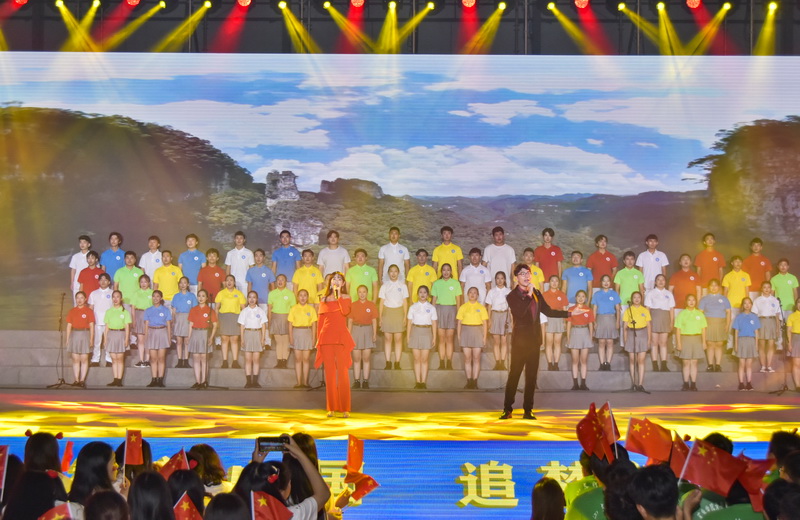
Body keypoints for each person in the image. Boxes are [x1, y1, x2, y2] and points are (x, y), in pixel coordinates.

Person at [500, 264, 570, 420]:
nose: (526, 276)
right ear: (516, 278)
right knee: (514, 375)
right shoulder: (512, 296)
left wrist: (570, 313)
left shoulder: (537, 293)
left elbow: (549, 311)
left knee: (531, 377)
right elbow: (520, 312)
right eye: (522, 273)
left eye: (528, 273)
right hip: (520, 342)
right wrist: (529, 294)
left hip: (534, 340)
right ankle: (507, 409)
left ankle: (528, 410)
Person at [315, 272, 355, 417]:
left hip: (341, 339)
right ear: (330, 283)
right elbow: (320, 322)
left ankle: (345, 408)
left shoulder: (346, 298)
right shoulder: (324, 299)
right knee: (330, 374)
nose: (336, 281)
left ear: (343, 283)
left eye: (339, 279)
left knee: (343, 373)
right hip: (326, 338)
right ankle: (331, 407)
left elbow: (345, 312)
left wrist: (339, 297)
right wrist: (318, 340)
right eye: (334, 279)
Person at [69, 441, 127, 506]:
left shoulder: (74, 500)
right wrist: (124, 498)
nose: (116, 466)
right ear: (100, 467)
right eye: (113, 462)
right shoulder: (104, 501)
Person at [431, 263, 463, 370]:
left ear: (451, 271)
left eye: (448, 270)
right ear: (441, 272)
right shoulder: (436, 283)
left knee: (449, 338)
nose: (446, 272)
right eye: (444, 270)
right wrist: (432, 314)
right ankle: (441, 362)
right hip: (439, 310)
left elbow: (458, 300)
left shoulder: (455, 283)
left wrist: (458, 314)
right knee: (441, 338)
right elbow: (434, 300)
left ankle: (449, 362)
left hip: (452, 310)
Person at [457, 286, 489, 389]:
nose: (472, 294)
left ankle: (475, 381)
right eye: (470, 292)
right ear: (467, 294)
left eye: (474, 293)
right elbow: (459, 323)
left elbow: (485, 323)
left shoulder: (481, 308)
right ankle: (469, 381)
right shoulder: (463, 307)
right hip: (466, 332)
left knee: (476, 358)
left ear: (477, 295)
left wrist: (484, 337)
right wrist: (459, 336)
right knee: (467, 358)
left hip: (477, 332)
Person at [378, 264, 409, 370]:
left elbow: (405, 302)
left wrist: (405, 317)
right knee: (387, 338)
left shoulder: (403, 286)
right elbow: (381, 302)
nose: (393, 273)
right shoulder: (384, 286)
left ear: (398, 273)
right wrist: (380, 317)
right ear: (388, 273)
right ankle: (388, 362)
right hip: (387, 312)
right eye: (391, 271)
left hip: (399, 312)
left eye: (395, 271)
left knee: (398, 339)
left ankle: (397, 362)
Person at [407, 285, 438, 389]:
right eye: (420, 292)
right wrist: (408, 337)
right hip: (415, 332)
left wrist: (434, 337)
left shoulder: (432, 308)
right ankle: (418, 381)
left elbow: (434, 323)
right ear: (417, 294)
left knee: (424, 359)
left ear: (428, 295)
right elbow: (409, 323)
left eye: (425, 292)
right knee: (416, 359)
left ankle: (423, 382)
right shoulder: (413, 307)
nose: (422, 294)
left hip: (427, 332)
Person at [675, 294, 708, 391]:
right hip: (685, 338)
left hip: (696, 339)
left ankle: (693, 384)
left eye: (693, 300)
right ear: (686, 302)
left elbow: (703, 329)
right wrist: (679, 343)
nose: (691, 302)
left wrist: (704, 342)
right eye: (689, 300)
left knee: (694, 362)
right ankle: (686, 383)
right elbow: (678, 329)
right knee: (686, 362)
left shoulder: (699, 314)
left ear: (696, 302)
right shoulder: (682, 314)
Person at [348, 285, 378, 389]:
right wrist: (349, 335)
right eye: (360, 292)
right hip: (356, 331)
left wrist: (374, 333)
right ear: (357, 293)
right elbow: (350, 321)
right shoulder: (353, 305)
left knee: (366, 358)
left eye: (364, 292)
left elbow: (374, 320)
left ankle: (365, 381)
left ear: (367, 293)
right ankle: (356, 381)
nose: (362, 294)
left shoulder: (371, 305)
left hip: (367, 330)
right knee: (356, 358)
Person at [698, 279, 731, 373]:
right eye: (711, 285)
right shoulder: (704, 299)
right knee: (710, 344)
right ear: (708, 287)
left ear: (719, 287)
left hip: (721, 323)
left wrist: (727, 324)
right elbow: (700, 314)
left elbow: (728, 312)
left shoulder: (724, 299)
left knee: (719, 344)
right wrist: (702, 326)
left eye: (715, 285)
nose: (713, 287)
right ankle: (710, 365)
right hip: (708, 324)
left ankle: (718, 365)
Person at [187, 289, 217, 389]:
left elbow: (215, 325)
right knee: (196, 358)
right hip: (195, 333)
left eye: (203, 296)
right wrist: (189, 337)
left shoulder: (210, 310)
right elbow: (191, 324)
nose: (201, 298)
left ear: (207, 298)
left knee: (204, 358)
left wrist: (211, 337)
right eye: (199, 296)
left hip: (205, 334)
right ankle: (198, 381)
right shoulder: (193, 309)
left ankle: (204, 381)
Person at [645, 274, 675, 372]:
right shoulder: (651, 293)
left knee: (663, 342)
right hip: (654, 318)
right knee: (654, 342)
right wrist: (648, 322)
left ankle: (664, 364)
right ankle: (655, 364)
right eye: (658, 280)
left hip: (665, 318)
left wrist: (671, 322)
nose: (661, 281)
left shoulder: (669, 294)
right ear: (655, 282)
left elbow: (671, 309)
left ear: (665, 282)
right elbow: (647, 309)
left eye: (663, 280)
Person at [614, 251, 645, 348]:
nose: (630, 261)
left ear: (634, 261)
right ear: (624, 261)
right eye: (627, 259)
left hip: (636, 303)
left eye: (632, 259)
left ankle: (634, 345)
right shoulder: (620, 273)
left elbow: (641, 289)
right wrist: (618, 302)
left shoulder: (638, 273)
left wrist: (641, 303)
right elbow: (617, 290)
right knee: (624, 325)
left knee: (635, 324)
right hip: (623, 303)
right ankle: (624, 345)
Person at [288, 289, 318, 389]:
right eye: (300, 295)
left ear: (307, 297)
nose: (303, 297)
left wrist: (313, 338)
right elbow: (290, 324)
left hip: (307, 333)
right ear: (297, 297)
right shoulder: (293, 308)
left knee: (306, 359)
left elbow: (314, 325)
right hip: (296, 333)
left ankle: (305, 382)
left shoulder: (311, 309)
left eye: (305, 295)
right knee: (298, 359)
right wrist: (291, 337)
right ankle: (298, 382)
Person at [623, 291, 651, 392]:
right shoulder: (628, 310)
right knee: (632, 360)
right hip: (631, 334)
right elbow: (625, 327)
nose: (636, 299)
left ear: (641, 299)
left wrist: (649, 339)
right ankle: (634, 383)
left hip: (642, 334)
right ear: (632, 299)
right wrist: (625, 340)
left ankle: (640, 384)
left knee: (641, 360)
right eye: (634, 297)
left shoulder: (645, 310)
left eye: (638, 297)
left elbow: (649, 326)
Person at [239, 290, 268, 389]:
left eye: (254, 297)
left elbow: (263, 326)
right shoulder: (244, 311)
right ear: (247, 299)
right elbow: (242, 326)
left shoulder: (260, 311)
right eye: (250, 297)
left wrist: (263, 339)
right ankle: (248, 382)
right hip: (247, 334)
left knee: (256, 359)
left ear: (257, 299)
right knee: (248, 359)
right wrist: (242, 339)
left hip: (257, 334)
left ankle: (255, 382)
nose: (252, 299)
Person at [566, 290, 594, 391]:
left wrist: (590, 337)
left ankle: (583, 383)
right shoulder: (571, 309)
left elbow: (590, 324)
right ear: (576, 298)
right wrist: (568, 338)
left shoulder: (588, 310)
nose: (581, 298)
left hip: (585, 332)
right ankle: (575, 384)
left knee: (583, 360)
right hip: (574, 332)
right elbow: (568, 324)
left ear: (585, 298)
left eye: (583, 296)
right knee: (575, 360)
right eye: (579, 296)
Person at [143, 290, 172, 387]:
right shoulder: (148, 310)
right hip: (152, 333)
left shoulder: (165, 310)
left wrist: (169, 338)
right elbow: (146, 325)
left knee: (161, 358)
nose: (155, 298)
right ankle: (154, 379)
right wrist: (146, 338)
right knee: (153, 358)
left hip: (162, 332)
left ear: (161, 298)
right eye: (154, 296)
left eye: (158, 296)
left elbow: (168, 325)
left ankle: (160, 379)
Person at [66, 290, 94, 388]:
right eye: (77, 298)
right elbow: (69, 326)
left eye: (81, 298)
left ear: (85, 299)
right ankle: (76, 380)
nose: (79, 300)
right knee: (75, 359)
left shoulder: (89, 311)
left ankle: (82, 380)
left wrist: (91, 339)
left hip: (85, 334)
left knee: (84, 358)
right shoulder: (72, 311)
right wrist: (67, 339)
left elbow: (92, 326)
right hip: (74, 334)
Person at [104, 290, 132, 387]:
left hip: (121, 334)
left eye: (117, 297)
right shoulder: (109, 311)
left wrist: (126, 339)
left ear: (121, 299)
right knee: (113, 358)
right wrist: (105, 339)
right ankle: (115, 379)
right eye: (114, 297)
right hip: (111, 335)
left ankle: (119, 379)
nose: (115, 299)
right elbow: (106, 327)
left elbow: (127, 327)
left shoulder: (125, 312)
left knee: (120, 358)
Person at [268, 274, 297, 369]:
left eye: (282, 280)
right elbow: (269, 309)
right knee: (279, 341)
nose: (280, 282)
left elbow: (293, 310)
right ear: (276, 282)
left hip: (287, 318)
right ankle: (279, 361)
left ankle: (284, 361)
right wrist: (269, 321)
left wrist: (292, 322)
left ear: (286, 282)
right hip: (275, 318)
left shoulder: (290, 294)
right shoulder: (272, 293)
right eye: (278, 280)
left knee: (286, 341)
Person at [217, 275, 245, 369]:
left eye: (231, 280)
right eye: (227, 280)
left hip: (235, 317)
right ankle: (224, 361)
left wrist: (243, 321)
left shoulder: (239, 293)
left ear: (234, 282)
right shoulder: (221, 293)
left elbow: (243, 308)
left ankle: (235, 361)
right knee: (224, 339)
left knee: (234, 339)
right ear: (225, 282)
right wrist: (217, 320)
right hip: (224, 317)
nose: (229, 282)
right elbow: (216, 308)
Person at [593, 274, 620, 372]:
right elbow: (594, 309)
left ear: (610, 282)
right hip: (600, 318)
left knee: (609, 342)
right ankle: (602, 363)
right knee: (601, 342)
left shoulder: (614, 294)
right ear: (601, 283)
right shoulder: (597, 294)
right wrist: (594, 321)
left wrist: (617, 321)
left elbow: (618, 309)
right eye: (604, 281)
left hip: (611, 319)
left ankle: (608, 363)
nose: (606, 283)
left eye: (608, 281)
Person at [753, 281, 782, 373]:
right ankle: (763, 366)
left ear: (771, 289)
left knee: (771, 345)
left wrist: (777, 328)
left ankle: (768, 366)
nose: (766, 289)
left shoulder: (775, 300)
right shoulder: (757, 300)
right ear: (761, 289)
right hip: (761, 321)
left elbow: (777, 315)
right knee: (761, 345)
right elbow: (754, 315)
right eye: (764, 287)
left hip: (772, 322)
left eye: (768, 287)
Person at [485, 271, 511, 371]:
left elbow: (511, 308)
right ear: (495, 280)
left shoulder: (508, 291)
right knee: (496, 341)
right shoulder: (492, 291)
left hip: (505, 315)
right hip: (495, 315)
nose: (500, 280)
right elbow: (489, 306)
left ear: (505, 280)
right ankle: (497, 363)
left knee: (504, 341)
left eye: (502, 278)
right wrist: (489, 319)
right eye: (498, 278)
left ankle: (503, 363)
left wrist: (512, 320)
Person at [732, 297, 760, 391]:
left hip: (751, 341)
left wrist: (756, 345)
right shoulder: (739, 317)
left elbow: (756, 332)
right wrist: (736, 345)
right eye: (745, 303)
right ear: (742, 305)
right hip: (741, 341)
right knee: (741, 363)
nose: (747, 305)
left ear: (751, 305)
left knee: (749, 364)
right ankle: (741, 383)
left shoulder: (754, 317)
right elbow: (736, 332)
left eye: (749, 303)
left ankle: (749, 383)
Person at [543, 275, 569, 371]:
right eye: (552, 281)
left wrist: (564, 322)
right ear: (549, 283)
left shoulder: (562, 294)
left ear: (559, 283)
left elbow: (565, 310)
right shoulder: (544, 294)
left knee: (557, 343)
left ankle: (556, 364)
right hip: (548, 319)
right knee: (549, 343)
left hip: (559, 318)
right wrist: (543, 322)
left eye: (556, 281)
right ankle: (550, 364)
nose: (554, 283)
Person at [89, 272, 114, 367]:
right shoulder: (94, 293)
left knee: (108, 341)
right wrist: (90, 321)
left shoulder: (112, 293)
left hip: (109, 322)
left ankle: (109, 359)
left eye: (105, 280)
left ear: (109, 282)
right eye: (101, 280)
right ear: (98, 282)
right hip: (97, 322)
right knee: (97, 342)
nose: (103, 282)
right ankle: (95, 359)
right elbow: (91, 308)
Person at [171, 277, 198, 369]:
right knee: (179, 341)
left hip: (188, 318)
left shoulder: (192, 296)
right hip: (178, 318)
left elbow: (194, 310)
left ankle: (186, 360)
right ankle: (179, 360)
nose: (183, 285)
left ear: (188, 284)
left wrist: (193, 321)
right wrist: (173, 320)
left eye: (185, 283)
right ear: (179, 284)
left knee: (187, 341)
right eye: (181, 283)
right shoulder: (176, 296)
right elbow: (174, 310)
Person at [131, 274, 154, 368]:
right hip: (139, 315)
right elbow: (133, 308)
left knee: (148, 339)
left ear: (149, 283)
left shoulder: (152, 293)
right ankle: (141, 360)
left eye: (145, 282)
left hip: (149, 316)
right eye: (141, 282)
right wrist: (133, 320)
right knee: (140, 340)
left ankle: (148, 360)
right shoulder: (136, 293)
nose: (143, 284)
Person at [246, 249, 275, 316]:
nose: (258, 258)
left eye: (260, 256)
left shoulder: (268, 271)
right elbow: (249, 285)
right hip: (253, 301)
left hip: (265, 300)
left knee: (264, 320)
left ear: (264, 257)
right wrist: (249, 299)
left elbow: (273, 286)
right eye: (256, 256)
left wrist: (272, 300)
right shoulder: (250, 271)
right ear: (254, 258)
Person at [225, 231, 255, 295]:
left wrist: (250, 283)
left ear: (244, 240)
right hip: (233, 284)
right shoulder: (230, 253)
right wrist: (228, 282)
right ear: (234, 240)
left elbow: (252, 270)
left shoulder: (249, 253)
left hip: (245, 283)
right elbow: (228, 269)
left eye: (241, 238)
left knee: (244, 300)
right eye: (237, 238)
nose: (239, 240)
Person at [69, 234, 92, 304]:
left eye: (84, 242)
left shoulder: (92, 256)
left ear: (89, 244)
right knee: (77, 303)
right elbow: (73, 270)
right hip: (77, 283)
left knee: (89, 302)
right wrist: (72, 282)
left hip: (88, 283)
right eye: (80, 242)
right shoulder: (75, 256)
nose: (82, 244)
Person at [786, 298, 800, 392]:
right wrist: (789, 343)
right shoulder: (792, 316)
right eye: (799, 302)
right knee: (796, 364)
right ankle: (798, 385)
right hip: (796, 339)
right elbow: (789, 331)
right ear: (796, 304)